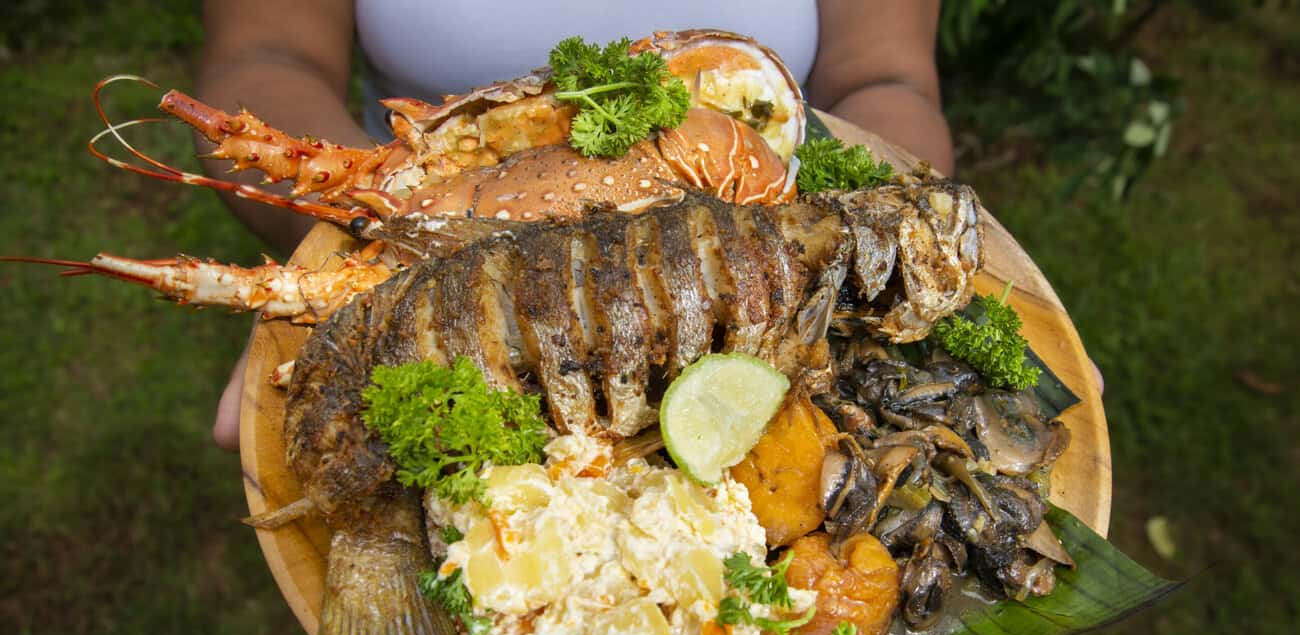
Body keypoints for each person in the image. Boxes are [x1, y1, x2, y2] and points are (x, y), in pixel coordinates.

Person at [201, 0, 954, 451]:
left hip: (750, 199)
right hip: (426, 183)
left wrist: (897, 234)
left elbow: (885, 78)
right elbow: (267, 53)